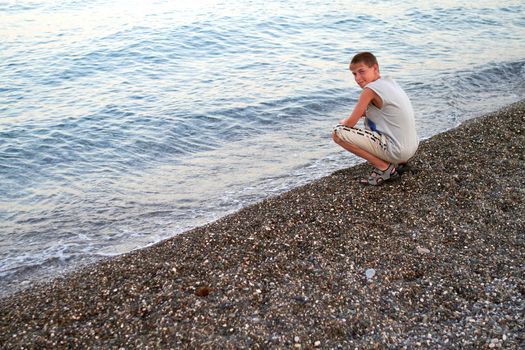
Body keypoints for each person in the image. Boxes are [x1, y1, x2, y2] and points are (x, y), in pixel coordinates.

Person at [332, 52, 418, 186]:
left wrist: (343, 123)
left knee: (338, 133)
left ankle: (385, 168)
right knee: (372, 119)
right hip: (411, 147)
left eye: (361, 72)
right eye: (354, 74)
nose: (357, 78)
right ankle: (400, 164)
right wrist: (363, 114)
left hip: (398, 151)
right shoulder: (389, 82)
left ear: (375, 68)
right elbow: (385, 112)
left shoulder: (370, 90)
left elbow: (350, 123)